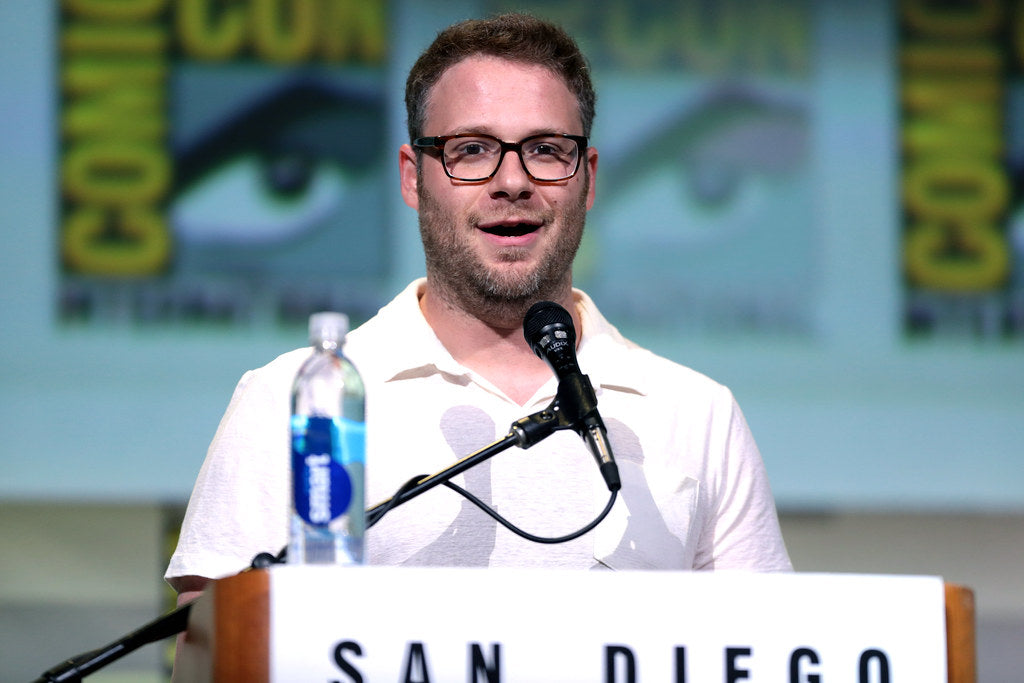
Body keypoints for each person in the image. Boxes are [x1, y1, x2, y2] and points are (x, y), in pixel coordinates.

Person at [166, 12, 791, 608]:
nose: (512, 180)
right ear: (413, 177)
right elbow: (212, 641)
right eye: (471, 150)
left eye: (546, 149)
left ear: (589, 177)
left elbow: (764, 651)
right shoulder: (298, 399)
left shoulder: (698, 414)